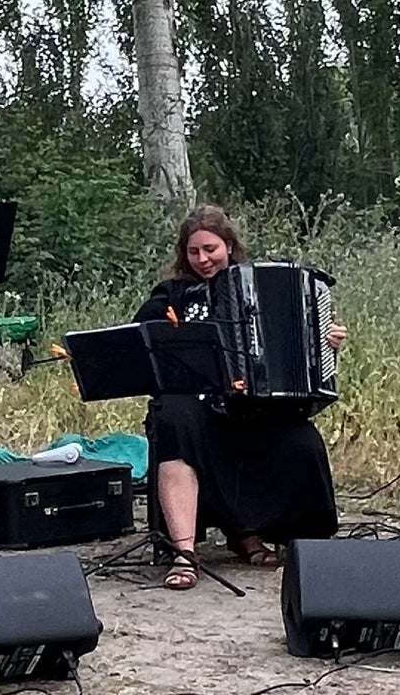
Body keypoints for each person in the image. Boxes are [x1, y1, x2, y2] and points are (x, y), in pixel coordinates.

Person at [132, 205, 346, 590]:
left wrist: (324, 341)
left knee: (302, 441)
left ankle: (260, 535)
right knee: (176, 421)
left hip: (254, 404)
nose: (202, 259)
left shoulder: (255, 284)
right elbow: (143, 339)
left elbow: (301, 345)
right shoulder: (173, 294)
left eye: (210, 249)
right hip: (195, 403)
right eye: (193, 252)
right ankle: (184, 551)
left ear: (229, 246)